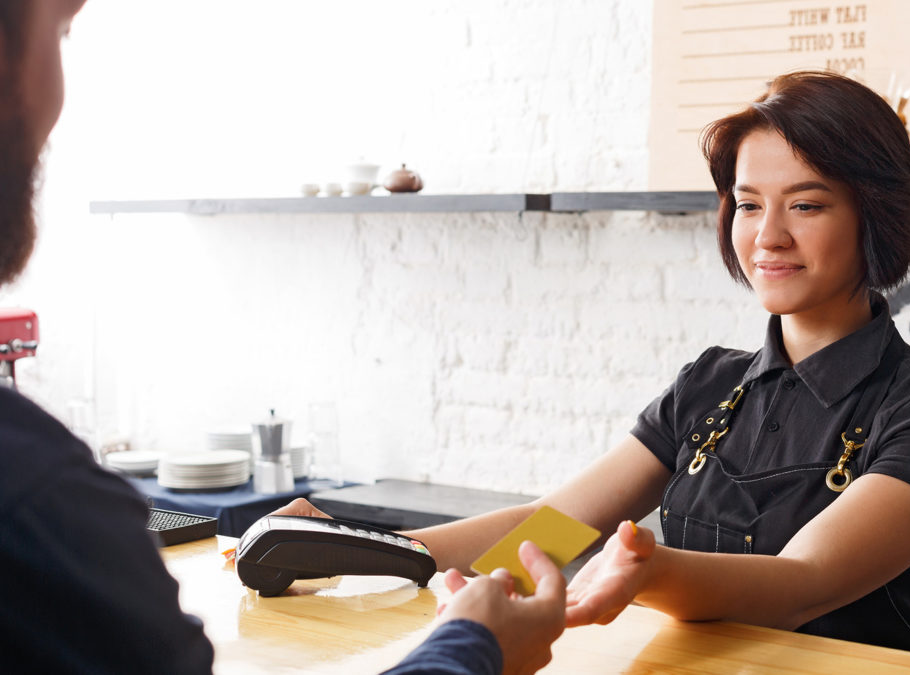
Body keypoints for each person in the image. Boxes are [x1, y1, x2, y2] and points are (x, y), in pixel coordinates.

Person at [285, 70, 910, 652]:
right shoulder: (711, 384)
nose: (767, 236)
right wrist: (355, 547)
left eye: (805, 205)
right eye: (747, 204)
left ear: (877, 216)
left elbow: (803, 581)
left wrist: (644, 570)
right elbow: (552, 529)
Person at [0, 2, 564, 673]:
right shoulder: (695, 391)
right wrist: (389, 565)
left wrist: (653, 563)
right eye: (729, 198)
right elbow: (563, 520)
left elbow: (587, 529)